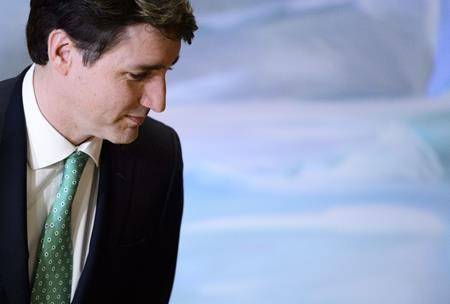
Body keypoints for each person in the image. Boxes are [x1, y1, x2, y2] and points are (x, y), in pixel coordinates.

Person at [0, 0, 197, 303]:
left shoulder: (160, 157)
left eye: (165, 71)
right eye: (138, 74)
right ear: (63, 52)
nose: (158, 102)